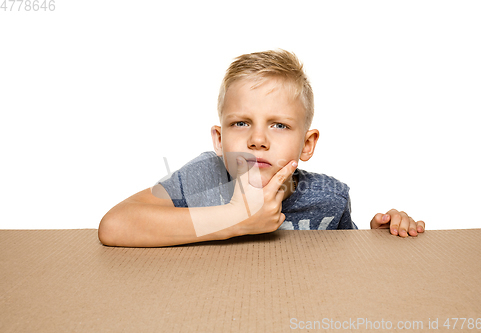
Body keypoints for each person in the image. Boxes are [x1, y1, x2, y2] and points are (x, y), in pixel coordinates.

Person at [98, 49, 425, 247]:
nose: (257, 139)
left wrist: (377, 236)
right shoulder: (204, 177)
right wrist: (236, 218)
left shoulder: (330, 196)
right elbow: (116, 225)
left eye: (279, 125)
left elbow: (346, 261)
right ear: (219, 139)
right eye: (240, 123)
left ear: (307, 144)